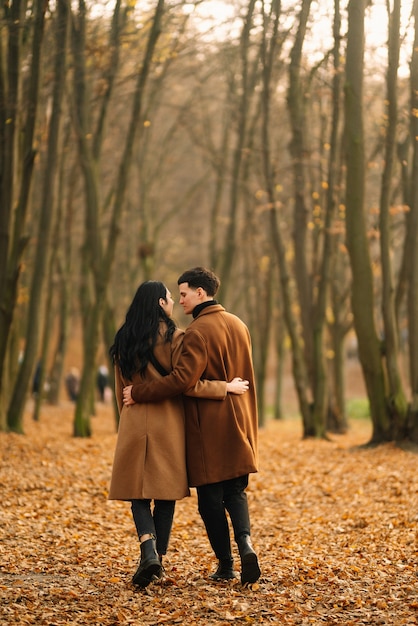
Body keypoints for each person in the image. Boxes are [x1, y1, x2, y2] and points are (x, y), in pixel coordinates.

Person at [123, 267, 261, 585]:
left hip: (209, 426)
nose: (180, 299)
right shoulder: (240, 325)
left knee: (210, 500)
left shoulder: (197, 331)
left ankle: (226, 565)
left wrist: (139, 393)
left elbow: (184, 381)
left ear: (201, 292)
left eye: (183, 293)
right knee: (237, 492)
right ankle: (246, 544)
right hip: (240, 422)